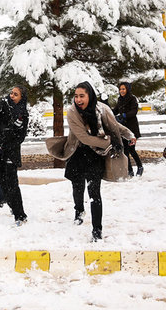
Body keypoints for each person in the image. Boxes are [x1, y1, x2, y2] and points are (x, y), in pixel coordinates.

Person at [47, 82, 135, 241]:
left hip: (95, 154)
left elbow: (114, 125)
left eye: (82, 96)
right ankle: (79, 211)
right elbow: (84, 138)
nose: (78, 99)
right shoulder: (72, 112)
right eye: (76, 96)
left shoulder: (102, 109)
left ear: (90, 96)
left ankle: (97, 229)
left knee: (94, 192)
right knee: (77, 186)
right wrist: (110, 143)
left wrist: (129, 134)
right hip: (77, 151)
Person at [0, 86, 29, 225]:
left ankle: (20, 215)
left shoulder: (23, 114)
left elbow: (20, 137)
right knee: (3, 184)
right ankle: (14, 208)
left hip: (10, 152)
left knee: (12, 184)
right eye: (11, 93)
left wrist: (3, 148)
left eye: (16, 94)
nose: (12, 96)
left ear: (21, 97)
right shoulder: (3, 104)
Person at [114, 82, 143, 177]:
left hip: (132, 127)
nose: (121, 91)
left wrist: (125, 115)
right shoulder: (120, 99)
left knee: (131, 149)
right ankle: (130, 171)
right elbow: (116, 110)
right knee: (125, 150)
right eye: (120, 89)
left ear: (127, 89)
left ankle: (140, 166)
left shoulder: (132, 99)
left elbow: (134, 111)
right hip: (123, 129)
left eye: (123, 89)